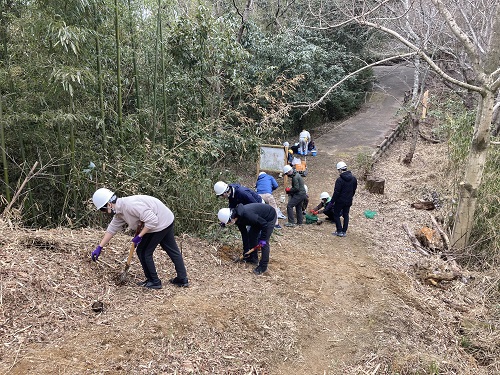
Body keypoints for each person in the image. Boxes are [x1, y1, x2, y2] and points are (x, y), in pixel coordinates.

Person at [90, 188, 189, 289]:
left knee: (144, 251)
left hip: (159, 222)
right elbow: (112, 229)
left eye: (103, 209)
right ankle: (182, 279)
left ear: (109, 204)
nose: (104, 212)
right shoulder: (119, 213)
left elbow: (152, 220)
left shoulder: (130, 206)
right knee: (171, 250)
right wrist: (100, 247)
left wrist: (140, 236)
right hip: (165, 219)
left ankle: (154, 281)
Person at [217, 203, 276, 275]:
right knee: (251, 235)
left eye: (228, 222)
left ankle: (263, 267)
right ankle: (253, 258)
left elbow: (264, 224)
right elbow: (244, 234)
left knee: (264, 243)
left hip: (268, 217)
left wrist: (263, 239)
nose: (229, 224)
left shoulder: (247, 215)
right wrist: (246, 250)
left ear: (231, 217)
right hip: (258, 219)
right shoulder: (237, 217)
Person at [331, 162, 358, 237]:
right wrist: (350, 196)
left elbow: (336, 192)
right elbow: (354, 189)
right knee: (346, 215)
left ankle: (339, 230)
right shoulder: (354, 179)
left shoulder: (339, 180)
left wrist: (332, 201)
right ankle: (344, 231)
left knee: (336, 214)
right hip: (349, 200)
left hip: (340, 201)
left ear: (340, 170)